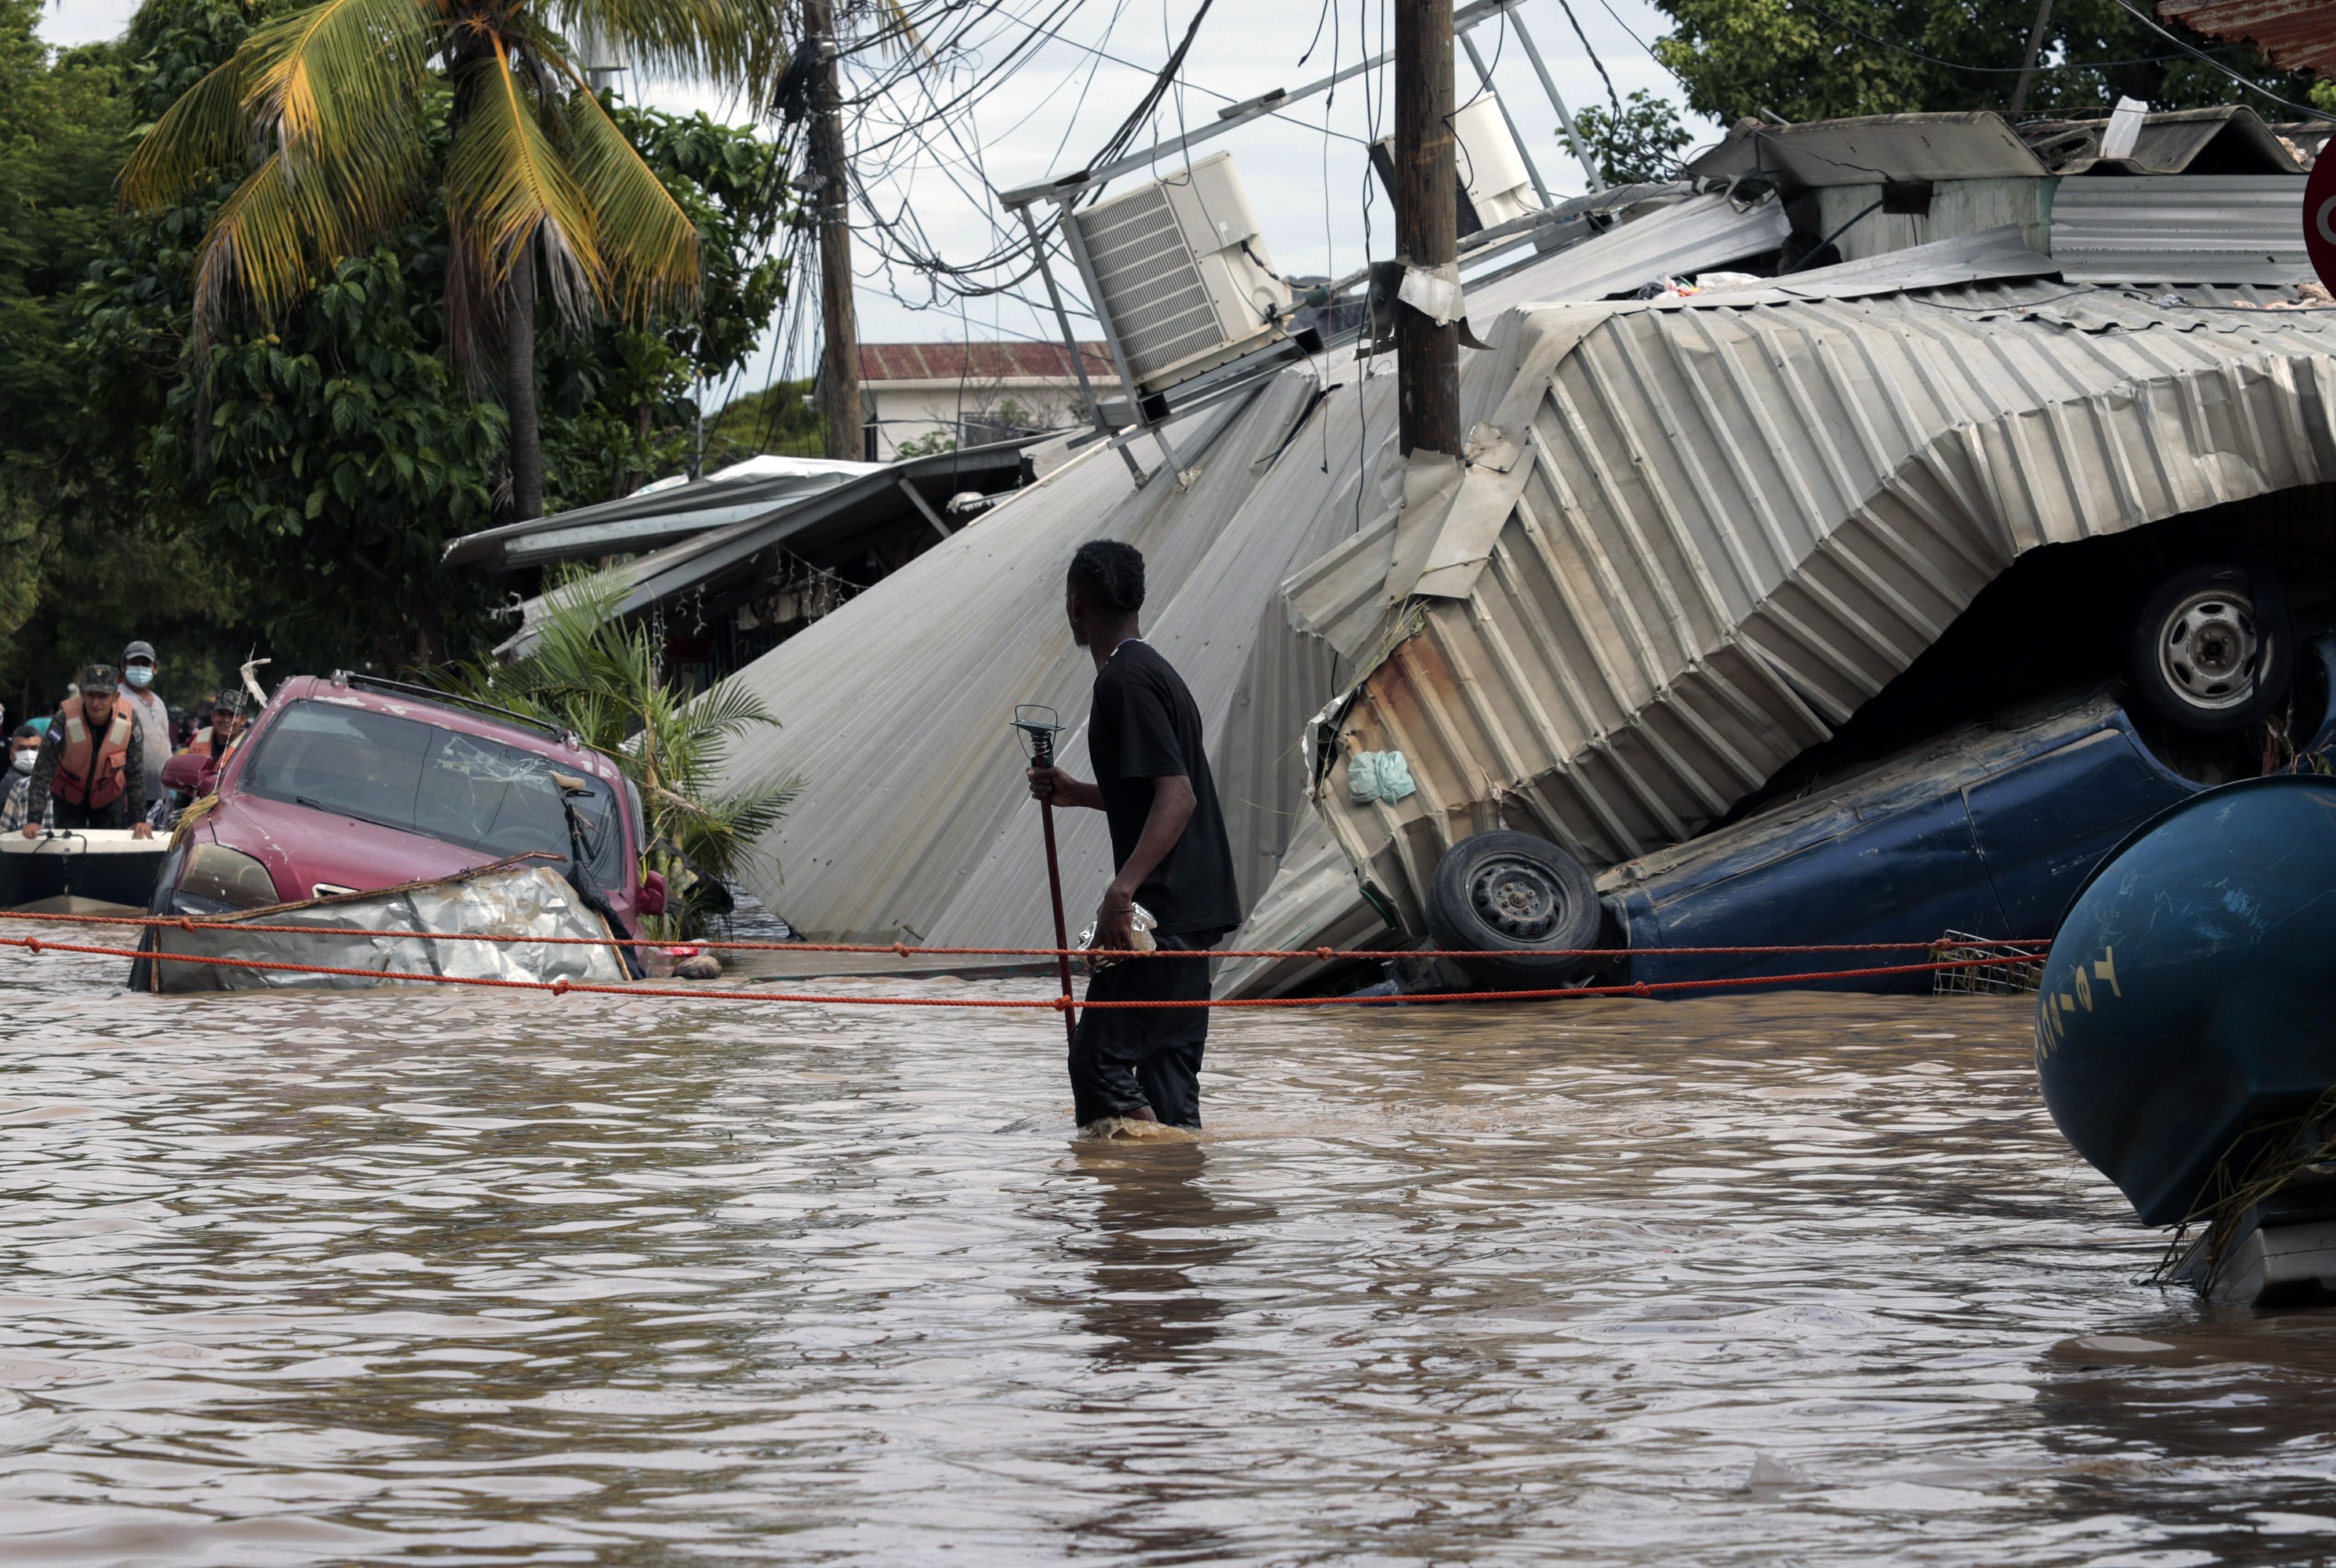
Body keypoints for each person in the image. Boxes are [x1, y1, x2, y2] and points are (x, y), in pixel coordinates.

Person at [1026, 540, 1241, 1132]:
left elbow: (1179, 796)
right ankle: (1173, 1205)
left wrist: (1121, 894)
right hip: (1190, 928)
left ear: (1076, 607)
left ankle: (1149, 1184)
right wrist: (1080, 793)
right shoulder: (1158, 672)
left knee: (1096, 1065)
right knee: (1170, 1091)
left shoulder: (1123, 681)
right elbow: (1153, 794)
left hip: (1160, 920)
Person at [22, 665, 152, 840]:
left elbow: (136, 772)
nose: (96, 703)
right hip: (69, 794)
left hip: (108, 794)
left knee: (107, 850)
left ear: (116, 696)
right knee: (68, 850)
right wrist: (34, 819)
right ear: (82, 694)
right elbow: (43, 768)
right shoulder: (64, 718)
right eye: (91, 695)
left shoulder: (129, 721)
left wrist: (138, 819)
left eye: (103, 696)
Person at [118, 639, 171, 810]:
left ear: (155, 667)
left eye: (145, 663)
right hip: (129, 795)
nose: (140, 668)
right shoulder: (116, 699)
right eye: (134, 663)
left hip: (161, 794)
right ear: (123, 666)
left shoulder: (159, 702)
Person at [0, 723, 44, 835]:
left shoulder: (51, 781)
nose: (29, 753)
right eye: (22, 749)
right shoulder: (7, 785)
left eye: (34, 748)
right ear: (11, 753)